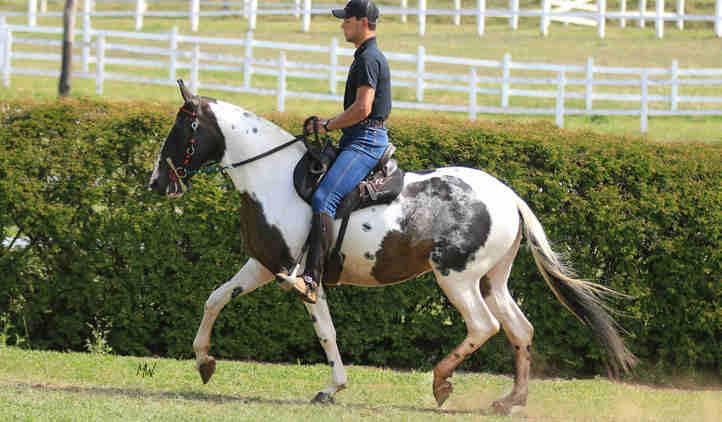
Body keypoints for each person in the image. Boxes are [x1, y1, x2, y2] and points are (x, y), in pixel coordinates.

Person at [277, 0, 392, 304]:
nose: (343, 25)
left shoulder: (369, 58)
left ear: (362, 22)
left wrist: (327, 125)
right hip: (357, 137)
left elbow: (363, 108)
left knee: (324, 197)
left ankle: (312, 280)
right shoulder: (365, 56)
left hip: (365, 141)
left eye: (347, 20)